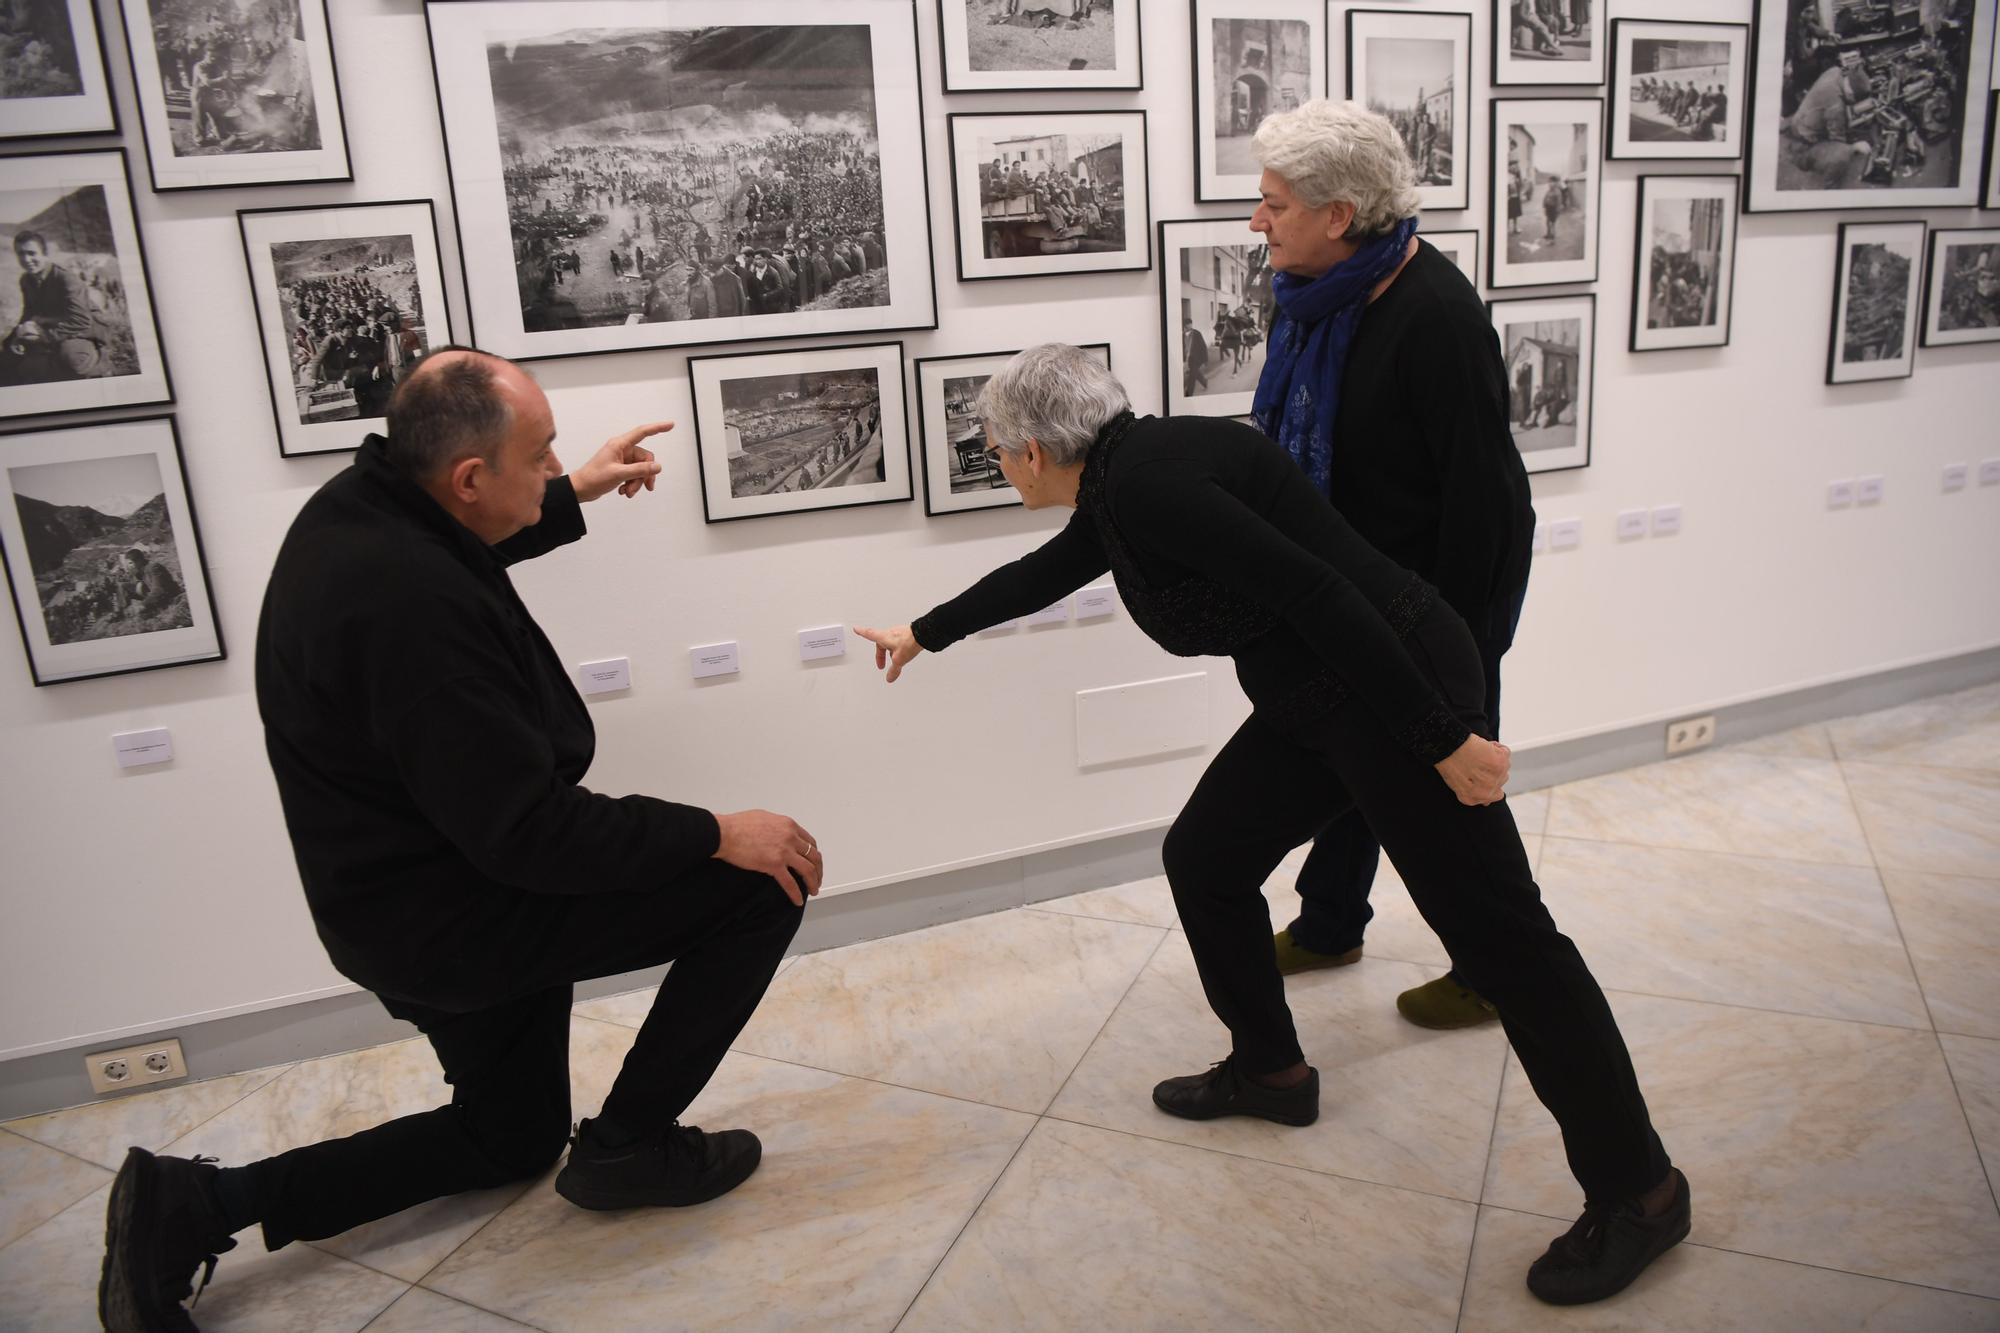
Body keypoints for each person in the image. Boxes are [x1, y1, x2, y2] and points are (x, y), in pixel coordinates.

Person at [854, 343, 1686, 1307]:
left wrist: (1441, 738)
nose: (999, 468)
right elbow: (1050, 571)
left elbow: (1319, 592)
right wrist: (926, 630)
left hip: (1395, 683)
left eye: (997, 453)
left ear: (1034, 450)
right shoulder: (1124, 482)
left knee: (1508, 945)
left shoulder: (1153, 485)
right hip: (1321, 695)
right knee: (1206, 857)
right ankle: (1270, 1070)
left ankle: (1644, 1191)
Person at [98, 349, 823, 1331]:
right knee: (760, 879)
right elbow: (531, 835)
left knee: (509, 1138)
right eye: (541, 455)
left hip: (398, 888)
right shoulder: (409, 607)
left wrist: (573, 495)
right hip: (455, 913)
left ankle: (198, 1204)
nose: (553, 465)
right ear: (470, 476)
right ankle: (628, 1146)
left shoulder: (367, 504)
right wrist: (714, 831)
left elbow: (449, 549)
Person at [1244, 100, 1534, 1033]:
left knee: (1456, 779)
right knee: (1351, 749)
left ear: (1338, 216)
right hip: (1353, 585)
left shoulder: (1435, 314)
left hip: (1435, 595)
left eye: (1275, 205)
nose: (1257, 222)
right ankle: (1332, 924)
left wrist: (1462, 656)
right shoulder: (1316, 298)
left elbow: (1483, 501)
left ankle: (1498, 967)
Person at [3, 231, 111, 383]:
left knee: (73, 360)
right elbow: (29, 311)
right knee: (8, 349)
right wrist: (17, 336)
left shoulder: (65, 279)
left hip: (84, 328)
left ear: (45, 254)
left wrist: (46, 337)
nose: (27, 259)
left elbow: (80, 320)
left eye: (32, 253)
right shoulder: (26, 280)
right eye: (21, 254)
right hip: (54, 325)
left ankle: (101, 361)